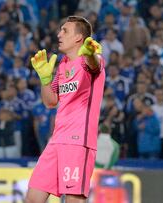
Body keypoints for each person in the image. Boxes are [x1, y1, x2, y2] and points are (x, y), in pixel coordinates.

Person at [25, 16, 105, 203]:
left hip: (78, 142)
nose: (59, 34)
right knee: (33, 198)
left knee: (73, 200)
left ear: (78, 38)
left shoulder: (91, 60)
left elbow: (94, 64)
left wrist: (91, 54)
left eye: (65, 31)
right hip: (56, 140)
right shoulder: (63, 65)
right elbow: (50, 102)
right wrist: (45, 79)